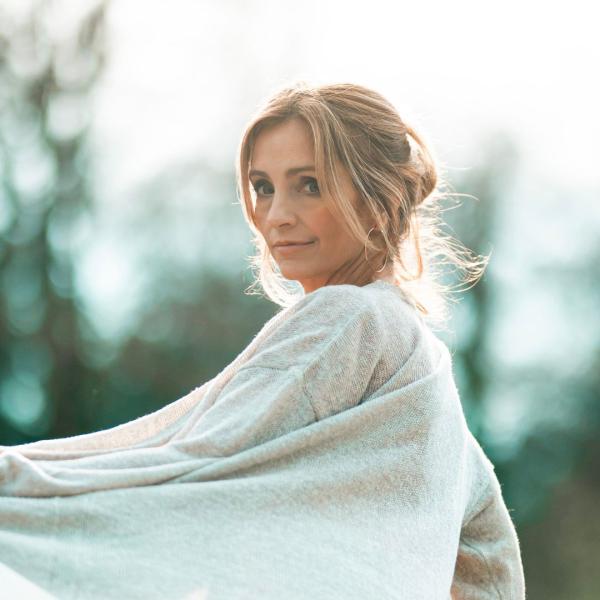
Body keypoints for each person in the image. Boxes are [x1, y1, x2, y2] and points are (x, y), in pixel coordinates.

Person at [0, 81, 526, 599]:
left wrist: (14, 478)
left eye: (310, 185)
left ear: (376, 198)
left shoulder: (348, 316)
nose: (276, 216)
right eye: (263, 187)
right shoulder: (426, 369)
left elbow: (197, 462)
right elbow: (493, 561)